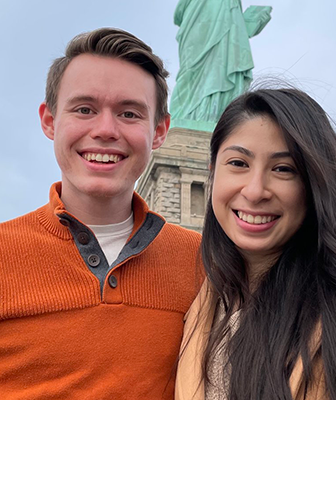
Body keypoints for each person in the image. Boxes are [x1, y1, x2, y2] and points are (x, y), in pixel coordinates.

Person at [0, 28, 202, 400]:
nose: (106, 130)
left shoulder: (205, 263)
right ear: (49, 121)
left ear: (159, 131)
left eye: (129, 113)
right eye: (84, 109)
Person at [175, 88, 336, 400]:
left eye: (283, 169)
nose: (255, 191)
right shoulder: (199, 301)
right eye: (239, 163)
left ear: (314, 184)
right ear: (212, 173)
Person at [169, 0, 272, 131]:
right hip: (199, 11)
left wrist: (245, 23)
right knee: (194, 69)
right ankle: (191, 114)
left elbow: (234, 30)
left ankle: (218, 116)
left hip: (227, 11)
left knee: (223, 61)